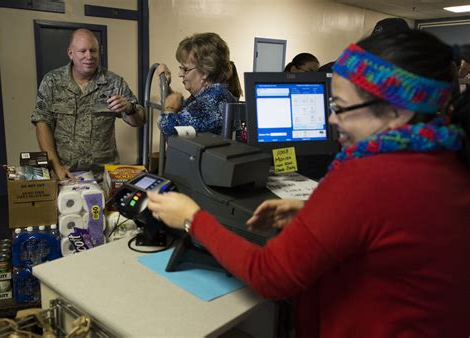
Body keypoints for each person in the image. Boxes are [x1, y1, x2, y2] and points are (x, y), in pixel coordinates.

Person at [147, 29, 470, 338]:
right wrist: (313, 213)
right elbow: (389, 229)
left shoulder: (371, 175)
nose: (331, 119)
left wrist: (192, 218)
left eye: (341, 108)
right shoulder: (445, 160)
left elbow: (269, 275)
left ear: (396, 111)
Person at [30, 28, 145, 181]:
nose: (89, 56)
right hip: (65, 173)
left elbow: (139, 121)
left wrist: (130, 109)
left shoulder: (114, 82)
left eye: (93, 51)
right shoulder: (52, 82)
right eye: (82, 51)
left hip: (104, 175)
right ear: (71, 53)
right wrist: (56, 167)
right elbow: (42, 124)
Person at [154, 32, 238, 136]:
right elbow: (186, 112)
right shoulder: (207, 95)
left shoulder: (214, 100)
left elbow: (167, 125)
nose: (180, 74)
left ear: (205, 72)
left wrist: (170, 108)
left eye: (185, 69)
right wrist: (166, 88)